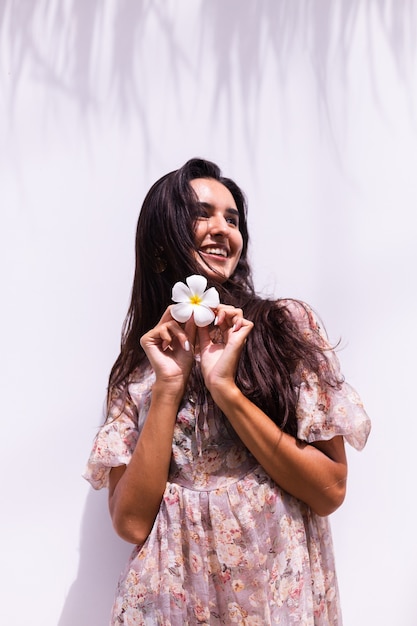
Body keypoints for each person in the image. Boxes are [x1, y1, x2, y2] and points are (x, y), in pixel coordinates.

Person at [83, 158, 371, 625]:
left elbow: (330, 490)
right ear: (160, 243)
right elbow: (132, 523)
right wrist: (169, 386)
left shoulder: (282, 327)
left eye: (232, 219)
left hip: (271, 592)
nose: (223, 230)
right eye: (203, 214)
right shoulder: (139, 368)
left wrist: (226, 391)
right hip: (170, 600)